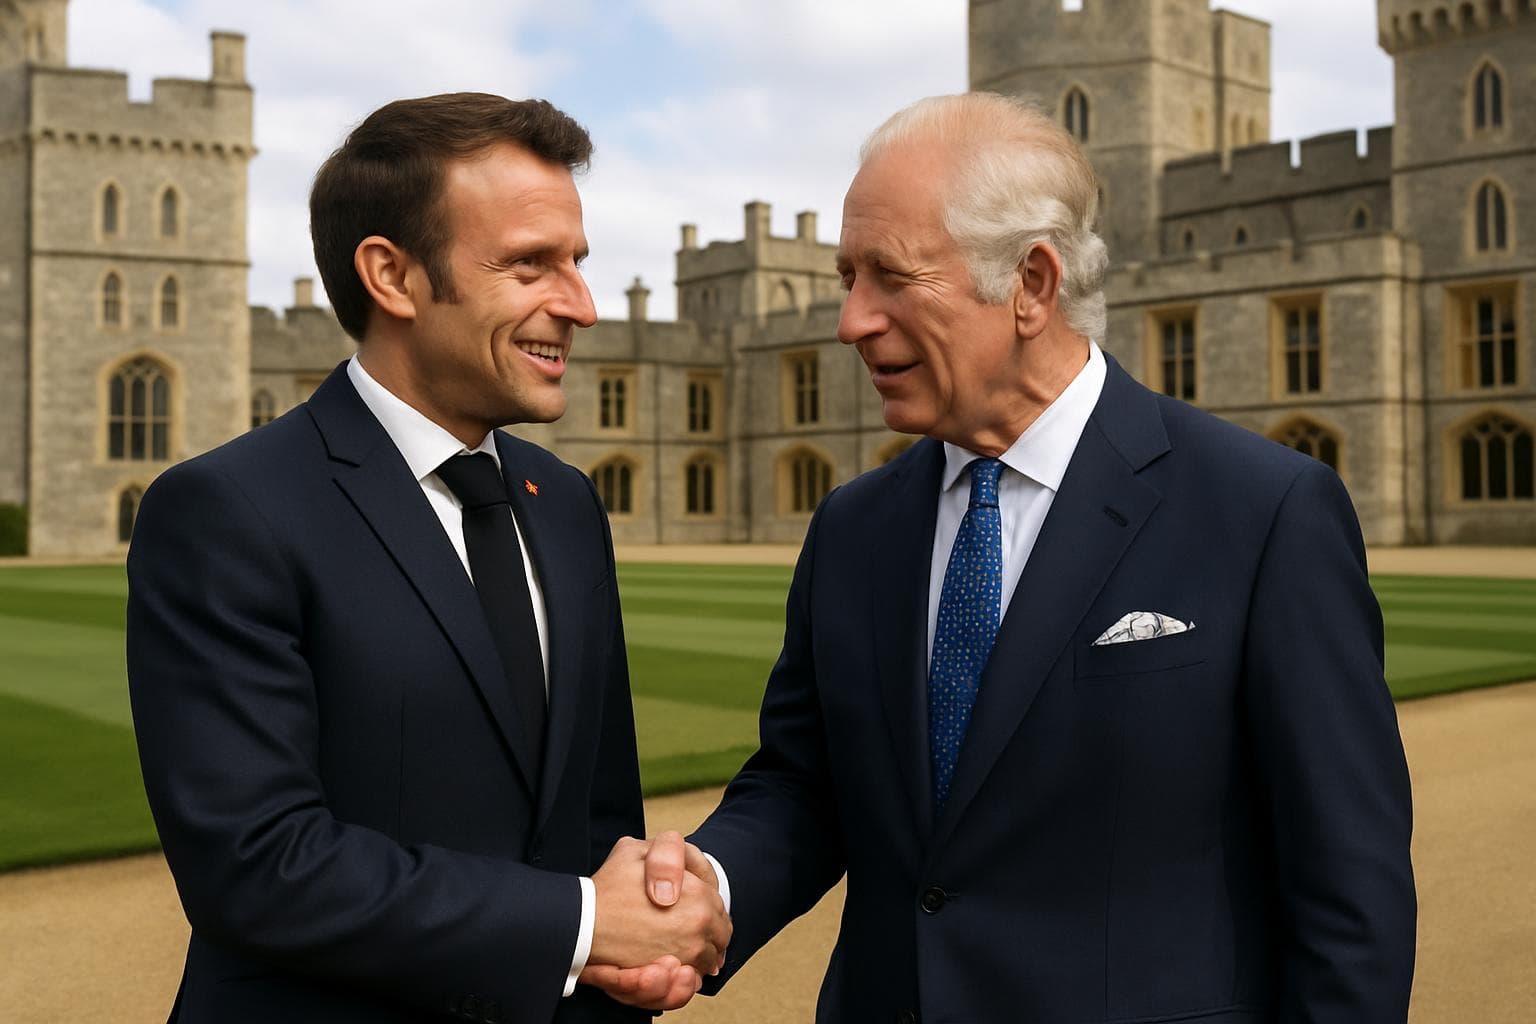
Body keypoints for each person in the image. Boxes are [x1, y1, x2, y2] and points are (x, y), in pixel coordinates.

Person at [628, 92, 1417, 1021]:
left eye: (889, 276)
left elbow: (1348, 889)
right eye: (847, 278)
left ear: (1032, 285)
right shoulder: (854, 526)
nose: (850, 322)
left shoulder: (1264, 511)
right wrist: (711, 890)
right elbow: (807, 784)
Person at [125, 93, 726, 1024]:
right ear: (393, 278)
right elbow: (256, 867)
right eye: (531, 264)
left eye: (577, 262)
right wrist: (578, 925)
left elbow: (595, 820)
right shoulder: (227, 511)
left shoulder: (564, 505)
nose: (581, 305)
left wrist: (628, 952)